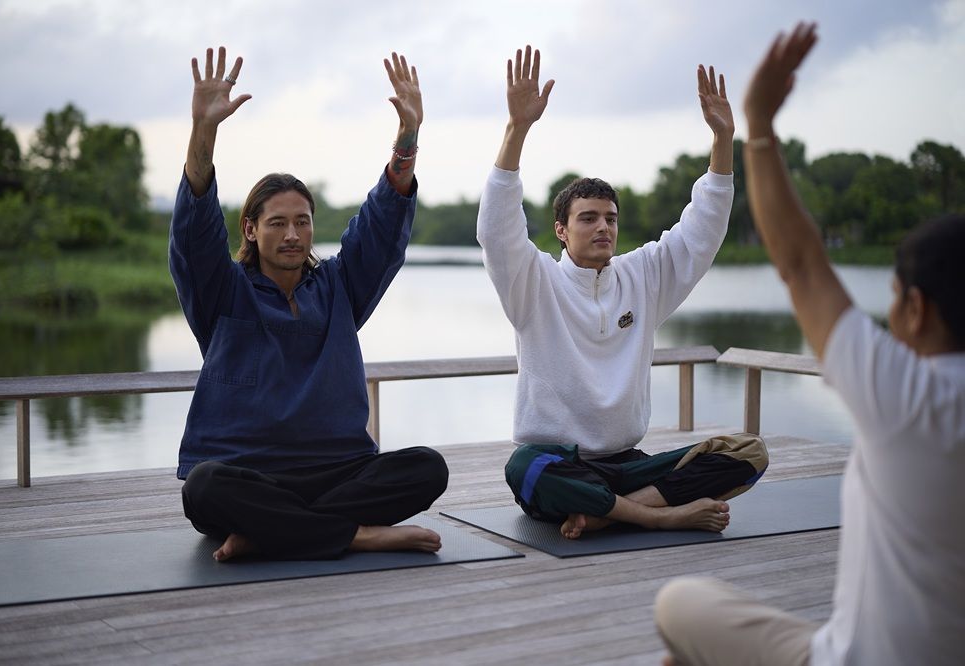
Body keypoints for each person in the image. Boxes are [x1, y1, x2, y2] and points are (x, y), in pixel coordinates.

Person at [654, 23, 965, 666]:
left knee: (680, 604)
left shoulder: (910, 398)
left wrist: (758, 127)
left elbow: (800, 264)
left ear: (914, 307)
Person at [477, 46, 768, 540]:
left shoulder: (643, 276)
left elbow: (702, 230)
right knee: (523, 467)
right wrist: (517, 129)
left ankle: (603, 514)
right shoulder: (534, 283)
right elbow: (497, 228)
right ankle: (658, 515)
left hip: (627, 465)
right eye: (588, 218)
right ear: (562, 231)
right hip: (560, 464)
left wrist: (722, 141)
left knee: (748, 453)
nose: (603, 227)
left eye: (610, 218)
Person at [170, 47, 448, 562]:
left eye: (302, 221)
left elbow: (381, 227)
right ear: (250, 230)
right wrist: (202, 133)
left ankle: (275, 532)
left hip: (337, 472)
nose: (293, 234)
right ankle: (354, 534)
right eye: (277, 223)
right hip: (248, 474)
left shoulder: (339, 286)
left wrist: (407, 137)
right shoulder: (223, 290)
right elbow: (194, 233)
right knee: (204, 489)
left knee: (428, 468)